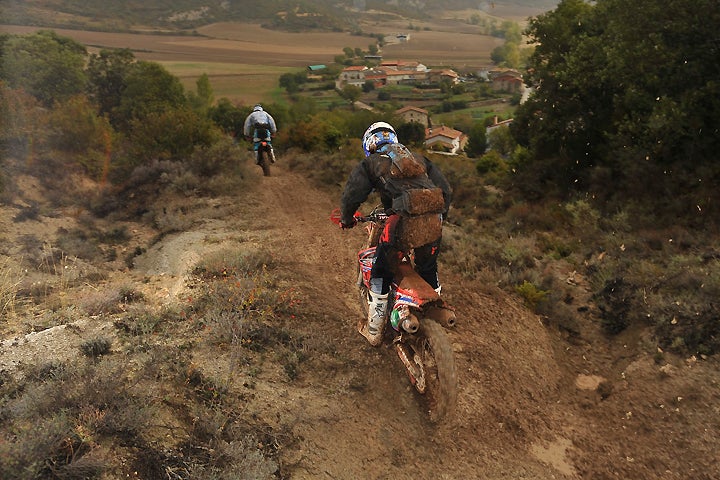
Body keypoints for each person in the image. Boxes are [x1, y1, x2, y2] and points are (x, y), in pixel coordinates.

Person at [339, 122, 452, 346]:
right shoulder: (418, 158)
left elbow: (353, 194)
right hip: (433, 221)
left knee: (381, 269)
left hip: (402, 222)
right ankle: (435, 310)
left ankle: (375, 330)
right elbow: (445, 190)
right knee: (428, 266)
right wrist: (439, 217)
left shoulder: (371, 163)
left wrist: (346, 218)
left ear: (369, 144)